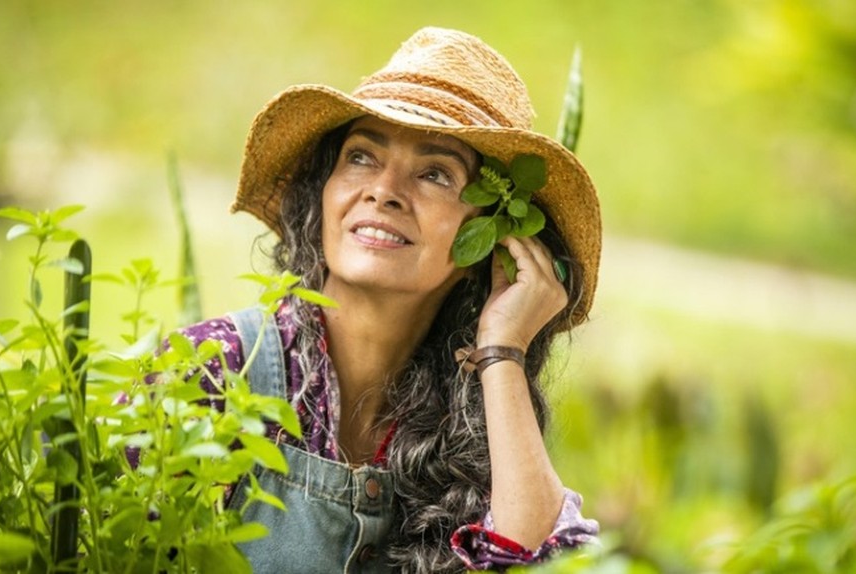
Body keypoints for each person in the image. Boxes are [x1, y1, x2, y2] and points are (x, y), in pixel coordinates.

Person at [178, 27, 602, 573]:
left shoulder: (470, 427)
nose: (383, 190)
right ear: (323, 190)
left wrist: (502, 351)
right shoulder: (215, 372)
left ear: (492, 241)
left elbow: (542, 565)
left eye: (434, 173)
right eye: (360, 157)